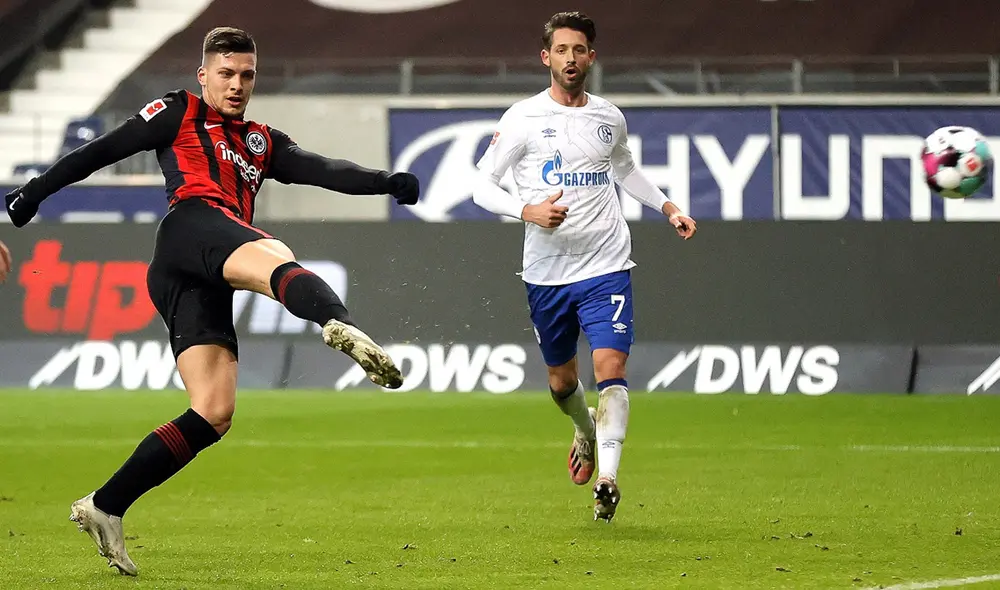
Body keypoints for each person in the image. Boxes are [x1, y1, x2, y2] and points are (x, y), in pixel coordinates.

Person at [3, 27, 419, 575]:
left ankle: (105, 505)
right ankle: (338, 323)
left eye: (247, 75)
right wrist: (33, 193)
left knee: (215, 412)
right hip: (189, 228)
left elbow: (324, 170)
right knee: (274, 253)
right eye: (226, 73)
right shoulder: (177, 111)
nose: (237, 84)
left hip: (197, 276)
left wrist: (386, 181)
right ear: (204, 76)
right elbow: (100, 151)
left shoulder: (261, 141)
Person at [472, 12, 697, 523]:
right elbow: (480, 184)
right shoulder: (522, 119)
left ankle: (609, 479)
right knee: (560, 384)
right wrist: (525, 210)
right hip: (547, 272)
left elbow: (625, 170)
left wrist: (668, 207)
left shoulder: (608, 118)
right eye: (562, 50)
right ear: (545, 57)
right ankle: (583, 428)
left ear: (591, 57)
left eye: (580, 50)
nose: (570, 58)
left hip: (607, 265)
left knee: (611, 370)